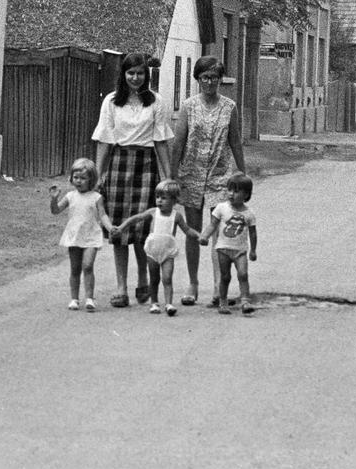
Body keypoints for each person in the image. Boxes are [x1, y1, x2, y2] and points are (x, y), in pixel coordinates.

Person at [93, 53, 173, 308]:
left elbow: (160, 140)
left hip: (146, 166)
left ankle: (143, 280)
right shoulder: (112, 101)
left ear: (146, 75)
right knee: (119, 230)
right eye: (131, 73)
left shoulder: (156, 101)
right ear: (123, 75)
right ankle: (120, 287)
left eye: (140, 73)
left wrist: (168, 177)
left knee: (142, 229)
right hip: (119, 165)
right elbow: (105, 139)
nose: (135, 78)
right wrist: (98, 173)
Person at [169, 55, 247, 306]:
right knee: (193, 232)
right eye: (205, 77)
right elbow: (178, 143)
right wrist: (173, 177)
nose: (210, 82)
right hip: (191, 175)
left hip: (220, 175)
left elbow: (235, 141)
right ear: (198, 80)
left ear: (220, 79)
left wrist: (242, 174)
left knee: (220, 233)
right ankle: (192, 283)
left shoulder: (229, 107)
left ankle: (218, 285)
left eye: (214, 77)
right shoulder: (189, 106)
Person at [113, 180, 200, 315]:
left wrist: (200, 236)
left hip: (168, 251)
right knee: (154, 278)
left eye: (164, 198)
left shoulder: (176, 216)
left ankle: (169, 304)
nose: (159, 201)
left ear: (174, 200)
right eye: (158, 197)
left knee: (167, 277)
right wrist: (121, 227)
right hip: (153, 250)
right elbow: (136, 218)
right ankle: (154, 303)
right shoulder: (153, 212)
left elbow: (188, 230)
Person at [49, 158, 112, 311]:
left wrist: (110, 228)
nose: (78, 181)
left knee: (88, 265)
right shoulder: (70, 196)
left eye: (83, 178)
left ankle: (89, 298)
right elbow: (56, 211)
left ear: (91, 179)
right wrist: (54, 199)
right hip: (74, 236)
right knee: (75, 268)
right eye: (76, 177)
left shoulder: (96, 197)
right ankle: (74, 299)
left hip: (91, 235)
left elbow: (103, 215)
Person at [200, 172, 257, 314]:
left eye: (236, 191)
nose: (231, 194)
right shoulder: (221, 208)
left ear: (246, 194)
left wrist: (253, 250)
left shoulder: (249, 213)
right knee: (225, 277)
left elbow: (253, 233)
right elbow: (212, 225)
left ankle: (245, 301)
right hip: (223, 249)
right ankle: (223, 302)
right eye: (229, 190)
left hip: (240, 250)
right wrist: (205, 236)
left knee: (243, 274)